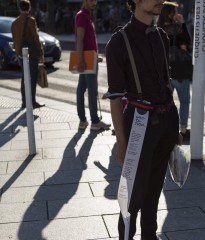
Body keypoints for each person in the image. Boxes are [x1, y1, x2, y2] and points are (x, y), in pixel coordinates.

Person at [106, 0, 181, 239]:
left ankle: (150, 235)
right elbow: (116, 97)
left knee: (154, 191)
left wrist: (174, 127)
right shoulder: (118, 42)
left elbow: (165, 84)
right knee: (132, 196)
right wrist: (121, 141)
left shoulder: (162, 37)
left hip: (166, 119)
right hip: (139, 123)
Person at [158, 1, 192, 141]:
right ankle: (183, 130)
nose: (177, 14)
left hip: (166, 72)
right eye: (175, 12)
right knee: (184, 101)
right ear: (171, 14)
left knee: (165, 103)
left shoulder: (158, 28)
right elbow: (188, 41)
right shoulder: (176, 28)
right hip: (180, 71)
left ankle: (165, 129)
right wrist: (182, 23)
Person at [75, 0, 111, 130]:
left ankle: (83, 121)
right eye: (91, 0)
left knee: (82, 89)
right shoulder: (82, 15)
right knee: (91, 90)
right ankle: (95, 122)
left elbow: (88, 41)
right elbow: (80, 39)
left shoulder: (87, 15)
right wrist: (80, 60)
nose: (94, 3)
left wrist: (96, 57)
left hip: (90, 58)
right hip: (86, 59)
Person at [11, 0, 45, 109]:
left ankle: (24, 102)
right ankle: (32, 102)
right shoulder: (31, 21)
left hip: (21, 53)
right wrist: (41, 53)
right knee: (33, 77)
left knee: (24, 78)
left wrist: (18, 55)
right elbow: (36, 38)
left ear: (20, 8)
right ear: (29, 8)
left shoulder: (15, 23)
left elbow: (15, 41)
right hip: (32, 54)